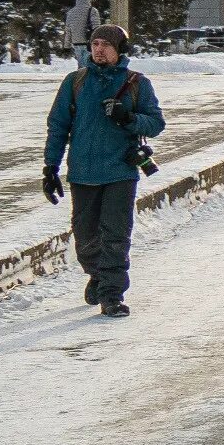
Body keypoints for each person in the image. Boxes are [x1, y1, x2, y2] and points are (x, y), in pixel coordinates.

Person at [43, 21, 166, 318]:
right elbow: (58, 126)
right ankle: (97, 275)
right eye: (95, 44)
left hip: (120, 171)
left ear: (119, 50)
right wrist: (50, 167)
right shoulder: (75, 82)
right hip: (82, 171)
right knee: (84, 236)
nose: (99, 50)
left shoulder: (137, 83)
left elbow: (156, 123)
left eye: (106, 45)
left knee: (115, 235)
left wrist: (128, 118)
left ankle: (111, 294)